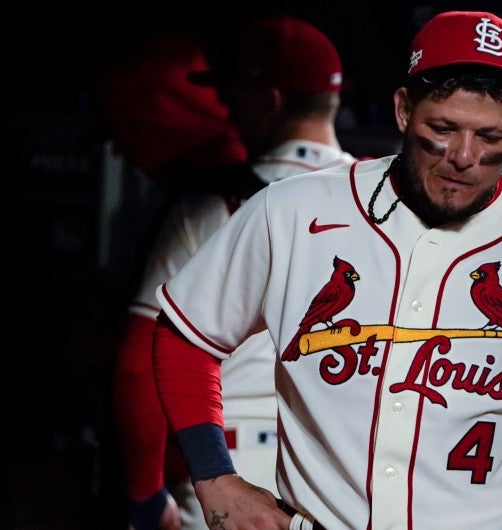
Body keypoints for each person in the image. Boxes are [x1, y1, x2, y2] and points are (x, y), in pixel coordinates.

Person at [149, 10, 502, 530]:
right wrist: (215, 479)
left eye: (490, 138)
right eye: (444, 128)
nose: (463, 157)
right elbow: (185, 335)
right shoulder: (292, 210)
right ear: (403, 110)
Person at [101, 16, 356, 530]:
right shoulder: (382, 207)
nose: (226, 110)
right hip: (348, 473)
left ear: (270, 101)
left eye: (235, 95)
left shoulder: (215, 205)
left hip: (226, 471)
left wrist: (145, 497)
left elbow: (139, 364)